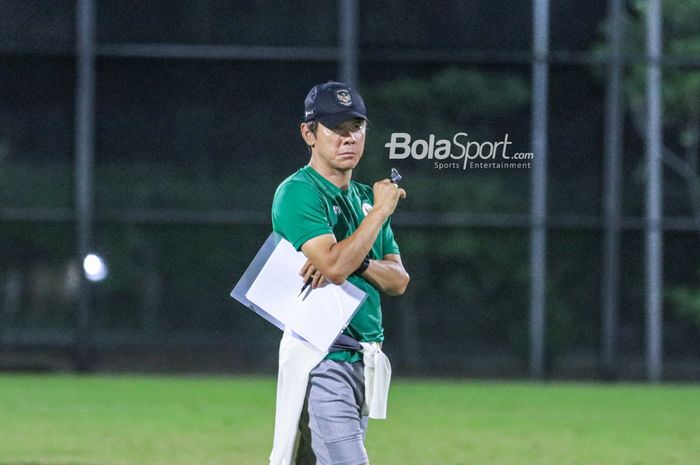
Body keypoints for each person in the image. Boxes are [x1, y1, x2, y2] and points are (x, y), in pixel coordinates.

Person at [269, 81, 410, 465]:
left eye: (356, 128)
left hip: (363, 359)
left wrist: (360, 263)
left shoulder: (365, 197)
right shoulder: (298, 192)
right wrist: (380, 214)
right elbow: (332, 268)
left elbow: (398, 280)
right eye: (336, 129)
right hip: (322, 357)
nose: (349, 138)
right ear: (308, 133)